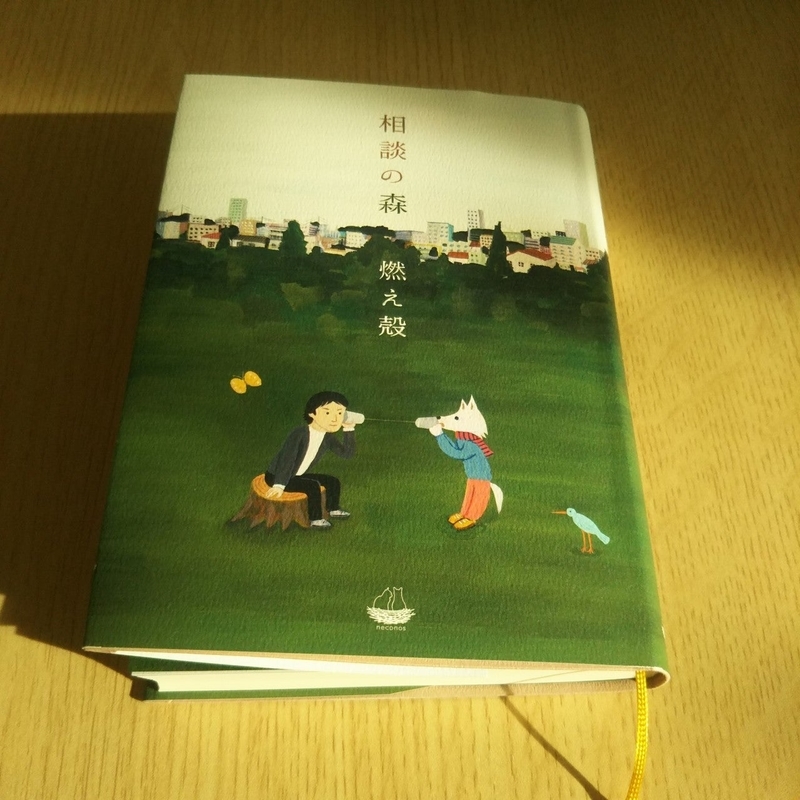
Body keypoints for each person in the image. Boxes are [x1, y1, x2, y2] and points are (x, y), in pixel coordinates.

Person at [265, 391, 356, 529]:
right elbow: (286, 459)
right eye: (327, 413)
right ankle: (316, 519)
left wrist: (349, 429)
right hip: (277, 476)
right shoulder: (299, 433)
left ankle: (333, 508)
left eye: (339, 413)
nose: (334, 419)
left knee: (332, 481)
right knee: (312, 485)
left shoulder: (327, 437)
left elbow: (347, 454)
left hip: (297, 475)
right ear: (312, 413)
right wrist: (279, 485)